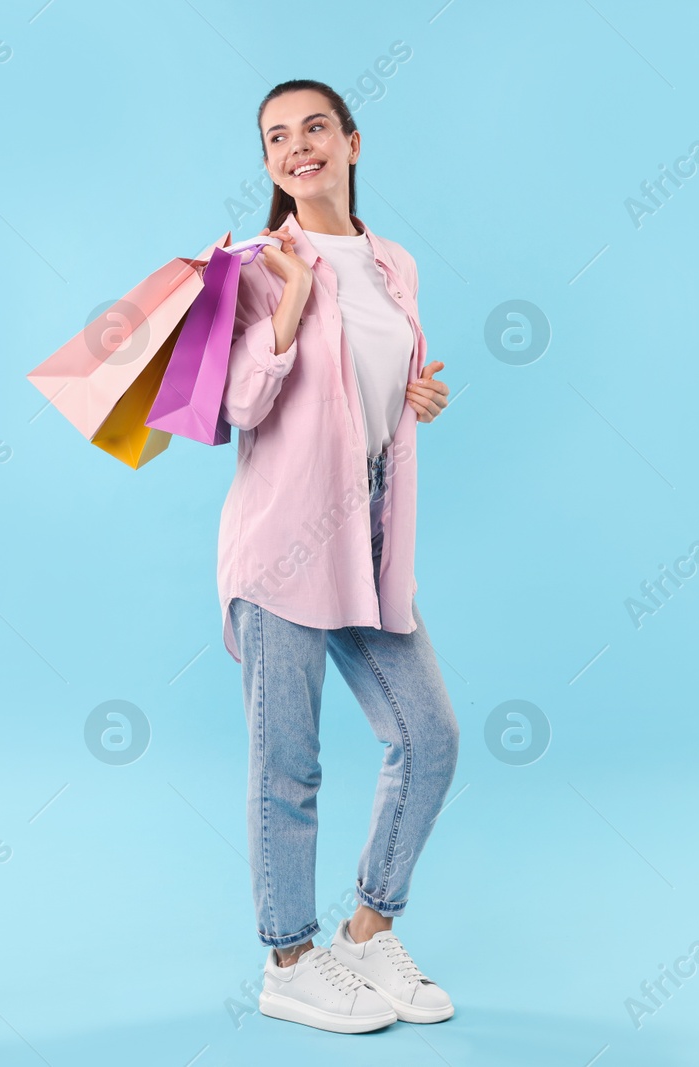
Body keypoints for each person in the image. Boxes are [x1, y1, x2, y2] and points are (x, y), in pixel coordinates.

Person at [216, 78, 458, 1034]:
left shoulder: (395, 262)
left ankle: (364, 932)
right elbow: (242, 404)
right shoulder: (254, 265)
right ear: (269, 162)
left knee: (428, 738)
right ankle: (288, 958)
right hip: (280, 546)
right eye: (278, 136)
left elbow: (374, 390)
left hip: (365, 544)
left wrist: (418, 399)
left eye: (315, 127)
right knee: (289, 765)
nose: (297, 145)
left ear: (353, 143)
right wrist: (294, 295)